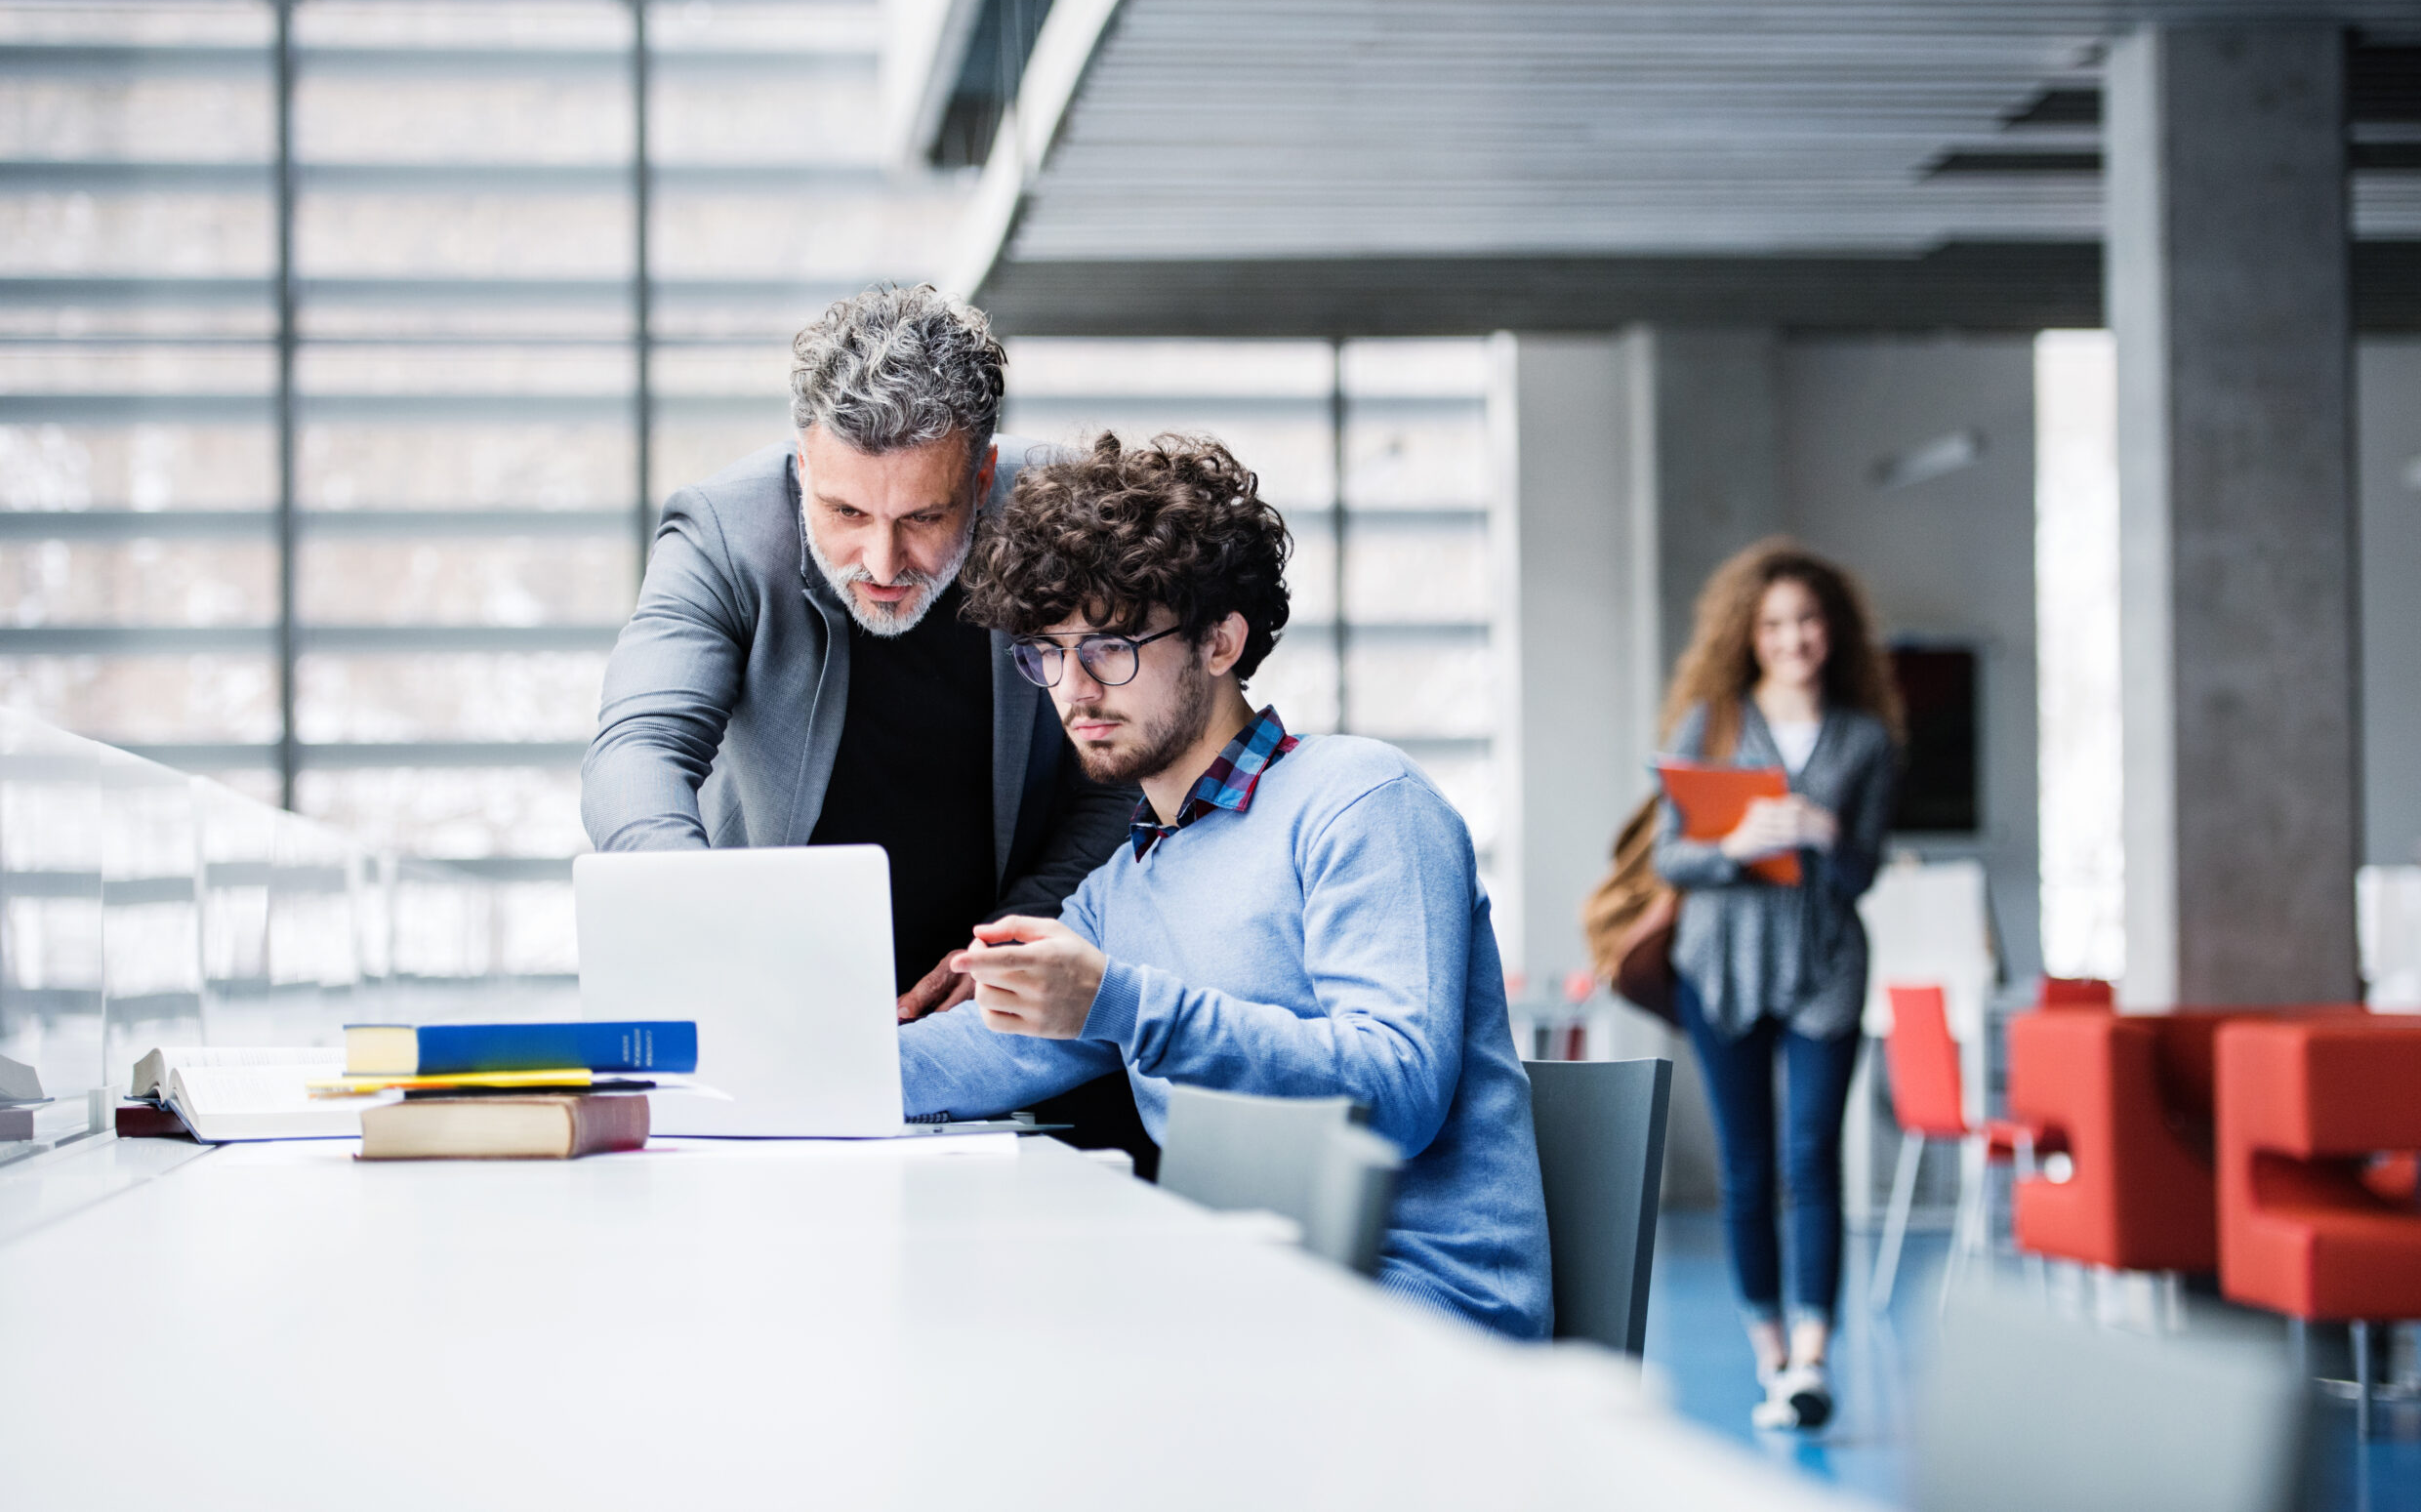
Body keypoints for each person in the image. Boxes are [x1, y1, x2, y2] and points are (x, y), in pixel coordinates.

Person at [896, 432, 1553, 1340]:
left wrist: (1122, 1002)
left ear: (1219, 640)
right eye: (1048, 651)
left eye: (1112, 645)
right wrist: (773, 1062)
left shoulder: (1363, 801)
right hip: (1252, 1299)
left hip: (1416, 1314)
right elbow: (971, 1058)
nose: (1073, 689)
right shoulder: (1121, 889)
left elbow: (1395, 1094)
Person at [580, 284, 1143, 1152]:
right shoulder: (724, 533)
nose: (883, 561)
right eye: (846, 513)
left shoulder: (1057, 515)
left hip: (1004, 1026)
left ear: (982, 476)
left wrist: (1019, 937)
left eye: (925, 517)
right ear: (804, 465)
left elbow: (1126, 769)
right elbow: (637, 749)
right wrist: (707, 923)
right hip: (772, 1022)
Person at [1652, 537, 1902, 1430]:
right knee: (1750, 1168)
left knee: (1812, 1160)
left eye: (1806, 621)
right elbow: (1668, 860)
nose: (1793, 638)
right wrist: (1740, 844)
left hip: (1825, 970)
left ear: (1830, 631)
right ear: (1748, 635)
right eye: (1774, 624)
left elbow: (1864, 871)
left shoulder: (1867, 739)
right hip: (1722, 969)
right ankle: (1769, 1353)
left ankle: (1814, 1357)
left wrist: (1826, 832)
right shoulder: (1711, 725)